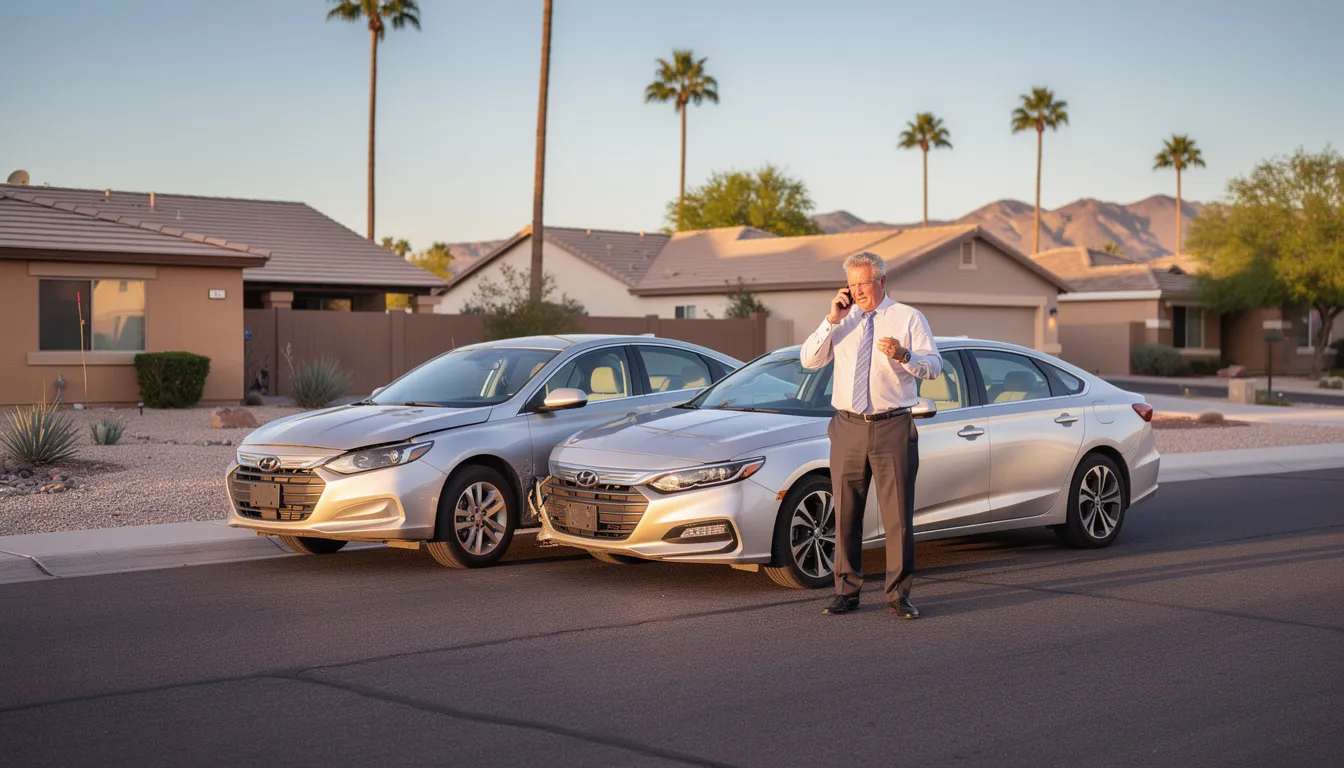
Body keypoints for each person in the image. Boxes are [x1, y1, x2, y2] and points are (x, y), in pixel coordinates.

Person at [800, 251, 942, 618]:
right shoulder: (841, 320)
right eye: (851, 283)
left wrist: (904, 355)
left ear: (881, 281)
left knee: (897, 518)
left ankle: (898, 596)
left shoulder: (909, 317)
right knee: (845, 513)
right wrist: (831, 319)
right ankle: (847, 591)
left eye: (863, 282)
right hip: (847, 427)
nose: (857, 290)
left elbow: (934, 367)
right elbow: (809, 361)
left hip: (892, 425)